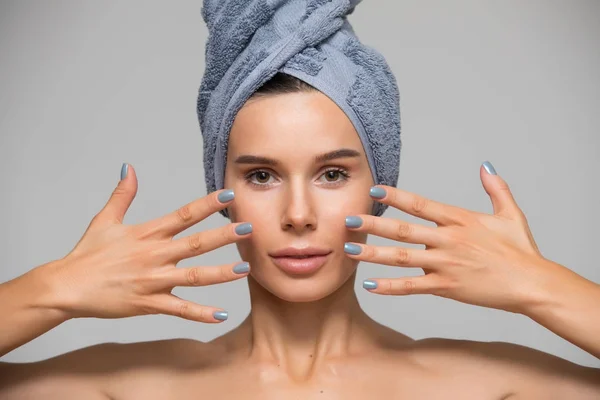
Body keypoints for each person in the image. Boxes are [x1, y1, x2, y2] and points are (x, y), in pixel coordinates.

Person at [2, 0, 600, 398]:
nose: (297, 215)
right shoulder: (136, 388)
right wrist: (54, 290)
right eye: (261, 176)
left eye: (333, 174)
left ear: (379, 187)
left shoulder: (480, 387)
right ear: (224, 195)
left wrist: (538, 286)